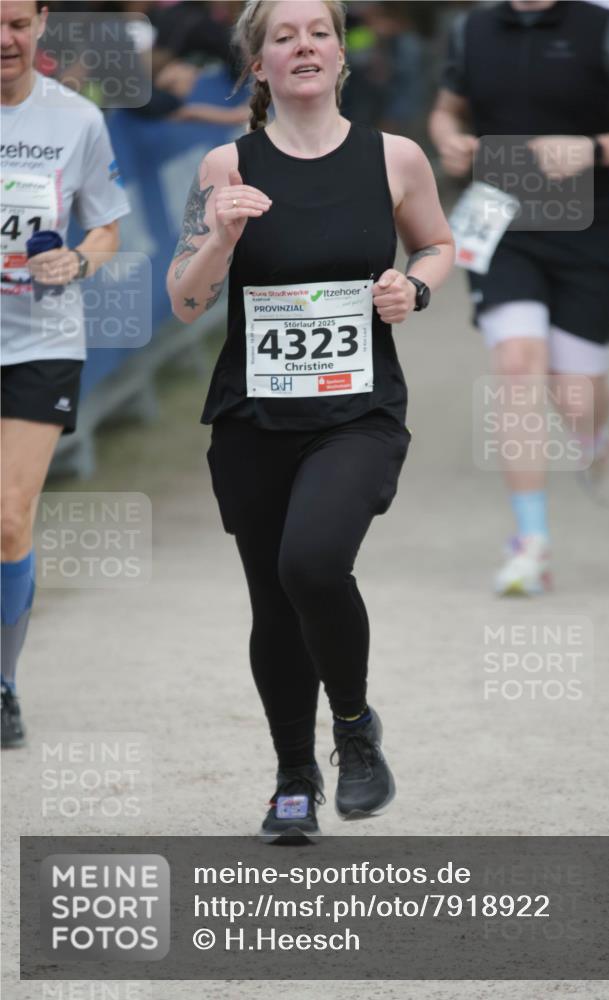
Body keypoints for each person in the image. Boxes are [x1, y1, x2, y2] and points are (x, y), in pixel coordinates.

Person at [167, 0, 454, 843]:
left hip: (358, 413)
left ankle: (356, 732)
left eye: (318, 32)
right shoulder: (225, 165)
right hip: (255, 416)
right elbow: (186, 301)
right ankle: (293, 778)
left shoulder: (394, 158)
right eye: (281, 37)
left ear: (340, 54)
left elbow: (437, 245)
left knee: (314, 563)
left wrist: (417, 285)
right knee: (272, 600)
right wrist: (218, 237)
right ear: (257, 66)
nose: (303, 46)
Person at [429, 0, 609, 596]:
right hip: (499, 221)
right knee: (516, 365)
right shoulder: (472, 29)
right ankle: (530, 542)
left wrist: (594, 149)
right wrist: (451, 141)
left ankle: (594, 442)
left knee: (575, 396)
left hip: (583, 228)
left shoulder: (606, 29)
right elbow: (445, 111)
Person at [1, 1, 130, 746]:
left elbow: (107, 226)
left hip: (41, 339)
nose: (4, 38)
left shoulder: (76, 120)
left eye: (17, 21)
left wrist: (79, 259)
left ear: (42, 22)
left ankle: (4, 681)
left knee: (9, 516)